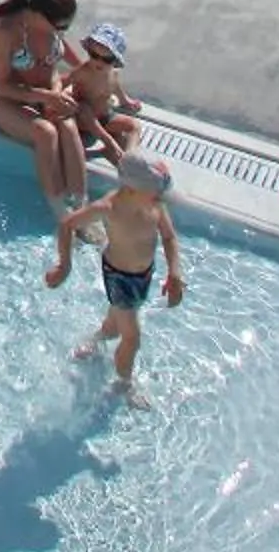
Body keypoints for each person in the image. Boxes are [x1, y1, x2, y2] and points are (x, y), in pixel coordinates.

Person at [44, 148, 184, 403]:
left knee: (115, 326)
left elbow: (169, 237)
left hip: (143, 275)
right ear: (131, 189)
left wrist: (174, 271)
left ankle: (95, 340)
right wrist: (64, 265)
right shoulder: (109, 208)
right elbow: (68, 224)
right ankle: (123, 384)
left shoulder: (155, 205)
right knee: (132, 338)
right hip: (119, 277)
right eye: (156, 194)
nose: (160, 199)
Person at [0, 0, 92, 222]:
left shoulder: (50, 27)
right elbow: (0, 86)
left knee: (68, 127)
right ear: (37, 15)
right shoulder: (5, 31)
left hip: (47, 93)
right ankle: (61, 213)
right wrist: (45, 96)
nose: (62, 31)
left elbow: (60, 45)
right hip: (11, 100)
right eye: (59, 26)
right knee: (46, 133)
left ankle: (82, 208)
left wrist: (82, 69)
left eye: (66, 26)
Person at [66, 21, 140, 166]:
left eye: (106, 59)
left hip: (105, 118)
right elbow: (64, 81)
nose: (99, 62)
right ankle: (108, 142)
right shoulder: (84, 71)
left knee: (134, 126)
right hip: (84, 122)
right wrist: (58, 95)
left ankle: (130, 160)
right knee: (84, 108)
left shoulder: (113, 74)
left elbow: (115, 87)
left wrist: (125, 101)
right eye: (94, 55)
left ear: (115, 60)